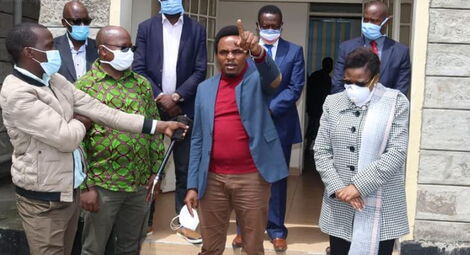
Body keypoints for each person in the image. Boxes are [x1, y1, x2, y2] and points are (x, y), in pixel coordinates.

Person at [0, 22, 186, 255]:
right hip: (43, 199)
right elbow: (67, 138)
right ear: (29, 52)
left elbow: (105, 112)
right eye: (49, 46)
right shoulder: (18, 93)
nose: (56, 50)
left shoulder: (54, 80)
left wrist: (158, 126)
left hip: (67, 191)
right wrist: (83, 122)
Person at [184, 21, 288, 255]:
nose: (230, 57)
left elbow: (275, 79)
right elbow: (198, 139)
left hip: (252, 178)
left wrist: (259, 52)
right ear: (217, 56)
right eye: (224, 52)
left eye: (237, 51)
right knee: (210, 246)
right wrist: (192, 185)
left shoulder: (257, 79)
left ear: (245, 54)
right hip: (212, 180)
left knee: (252, 247)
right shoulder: (205, 88)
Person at [76, 25, 165, 255]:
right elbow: (76, 142)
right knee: (93, 249)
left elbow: (154, 131)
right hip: (103, 186)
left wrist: (157, 174)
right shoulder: (84, 87)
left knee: (130, 248)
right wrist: (86, 186)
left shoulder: (142, 85)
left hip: (139, 185)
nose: (130, 52)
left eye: (131, 47)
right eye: (123, 47)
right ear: (103, 51)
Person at [314, 47, 409, 255]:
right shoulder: (333, 102)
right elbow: (321, 150)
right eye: (347, 81)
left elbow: (396, 152)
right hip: (340, 203)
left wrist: (358, 186)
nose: (352, 87)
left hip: (382, 202)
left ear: (375, 79)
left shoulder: (395, 103)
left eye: (360, 82)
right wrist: (339, 188)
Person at [231, 5, 305, 253]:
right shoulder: (243, 51)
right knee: (246, 180)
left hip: (280, 124)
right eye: (266, 25)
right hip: (248, 124)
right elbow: (237, 84)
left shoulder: (294, 51)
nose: (270, 29)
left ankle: (276, 231)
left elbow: (295, 88)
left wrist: (270, 109)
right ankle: (243, 229)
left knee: (276, 181)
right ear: (257, 26)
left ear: (281, 25)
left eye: (275, 25)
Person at [133, 0, 207, 242]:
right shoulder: (146, 27)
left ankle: (185, 222)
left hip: (184, 106)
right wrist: (161, 97)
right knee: (150, 165)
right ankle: (146, 221)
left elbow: (200, 70)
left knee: (185, 167)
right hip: (152, 106)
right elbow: (139, 68)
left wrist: (177, 96)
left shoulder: (197, 29)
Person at [330, 1, 411, 95]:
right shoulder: (346, 48)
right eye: (365, 20)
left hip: (385, 107)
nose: (368, 24)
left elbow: (400, 91)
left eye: (374, 21)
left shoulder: (400, 52)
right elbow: (337, 85)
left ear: (387, 22)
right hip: (351, 107)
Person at [54, 1, 98, 83]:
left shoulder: (99, 48)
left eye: (86, 21)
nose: (82, 25)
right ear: (64, 23)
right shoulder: (52, 47)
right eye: (76, 21)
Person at [305, 57, 333, 153]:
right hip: (318, 108)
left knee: (313, 128)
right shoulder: (327, 79)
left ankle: (309, 149)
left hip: (313, 108)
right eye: (329, 65)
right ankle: (311, 149)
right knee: (315, 129)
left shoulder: (315, 75)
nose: (330, 67)